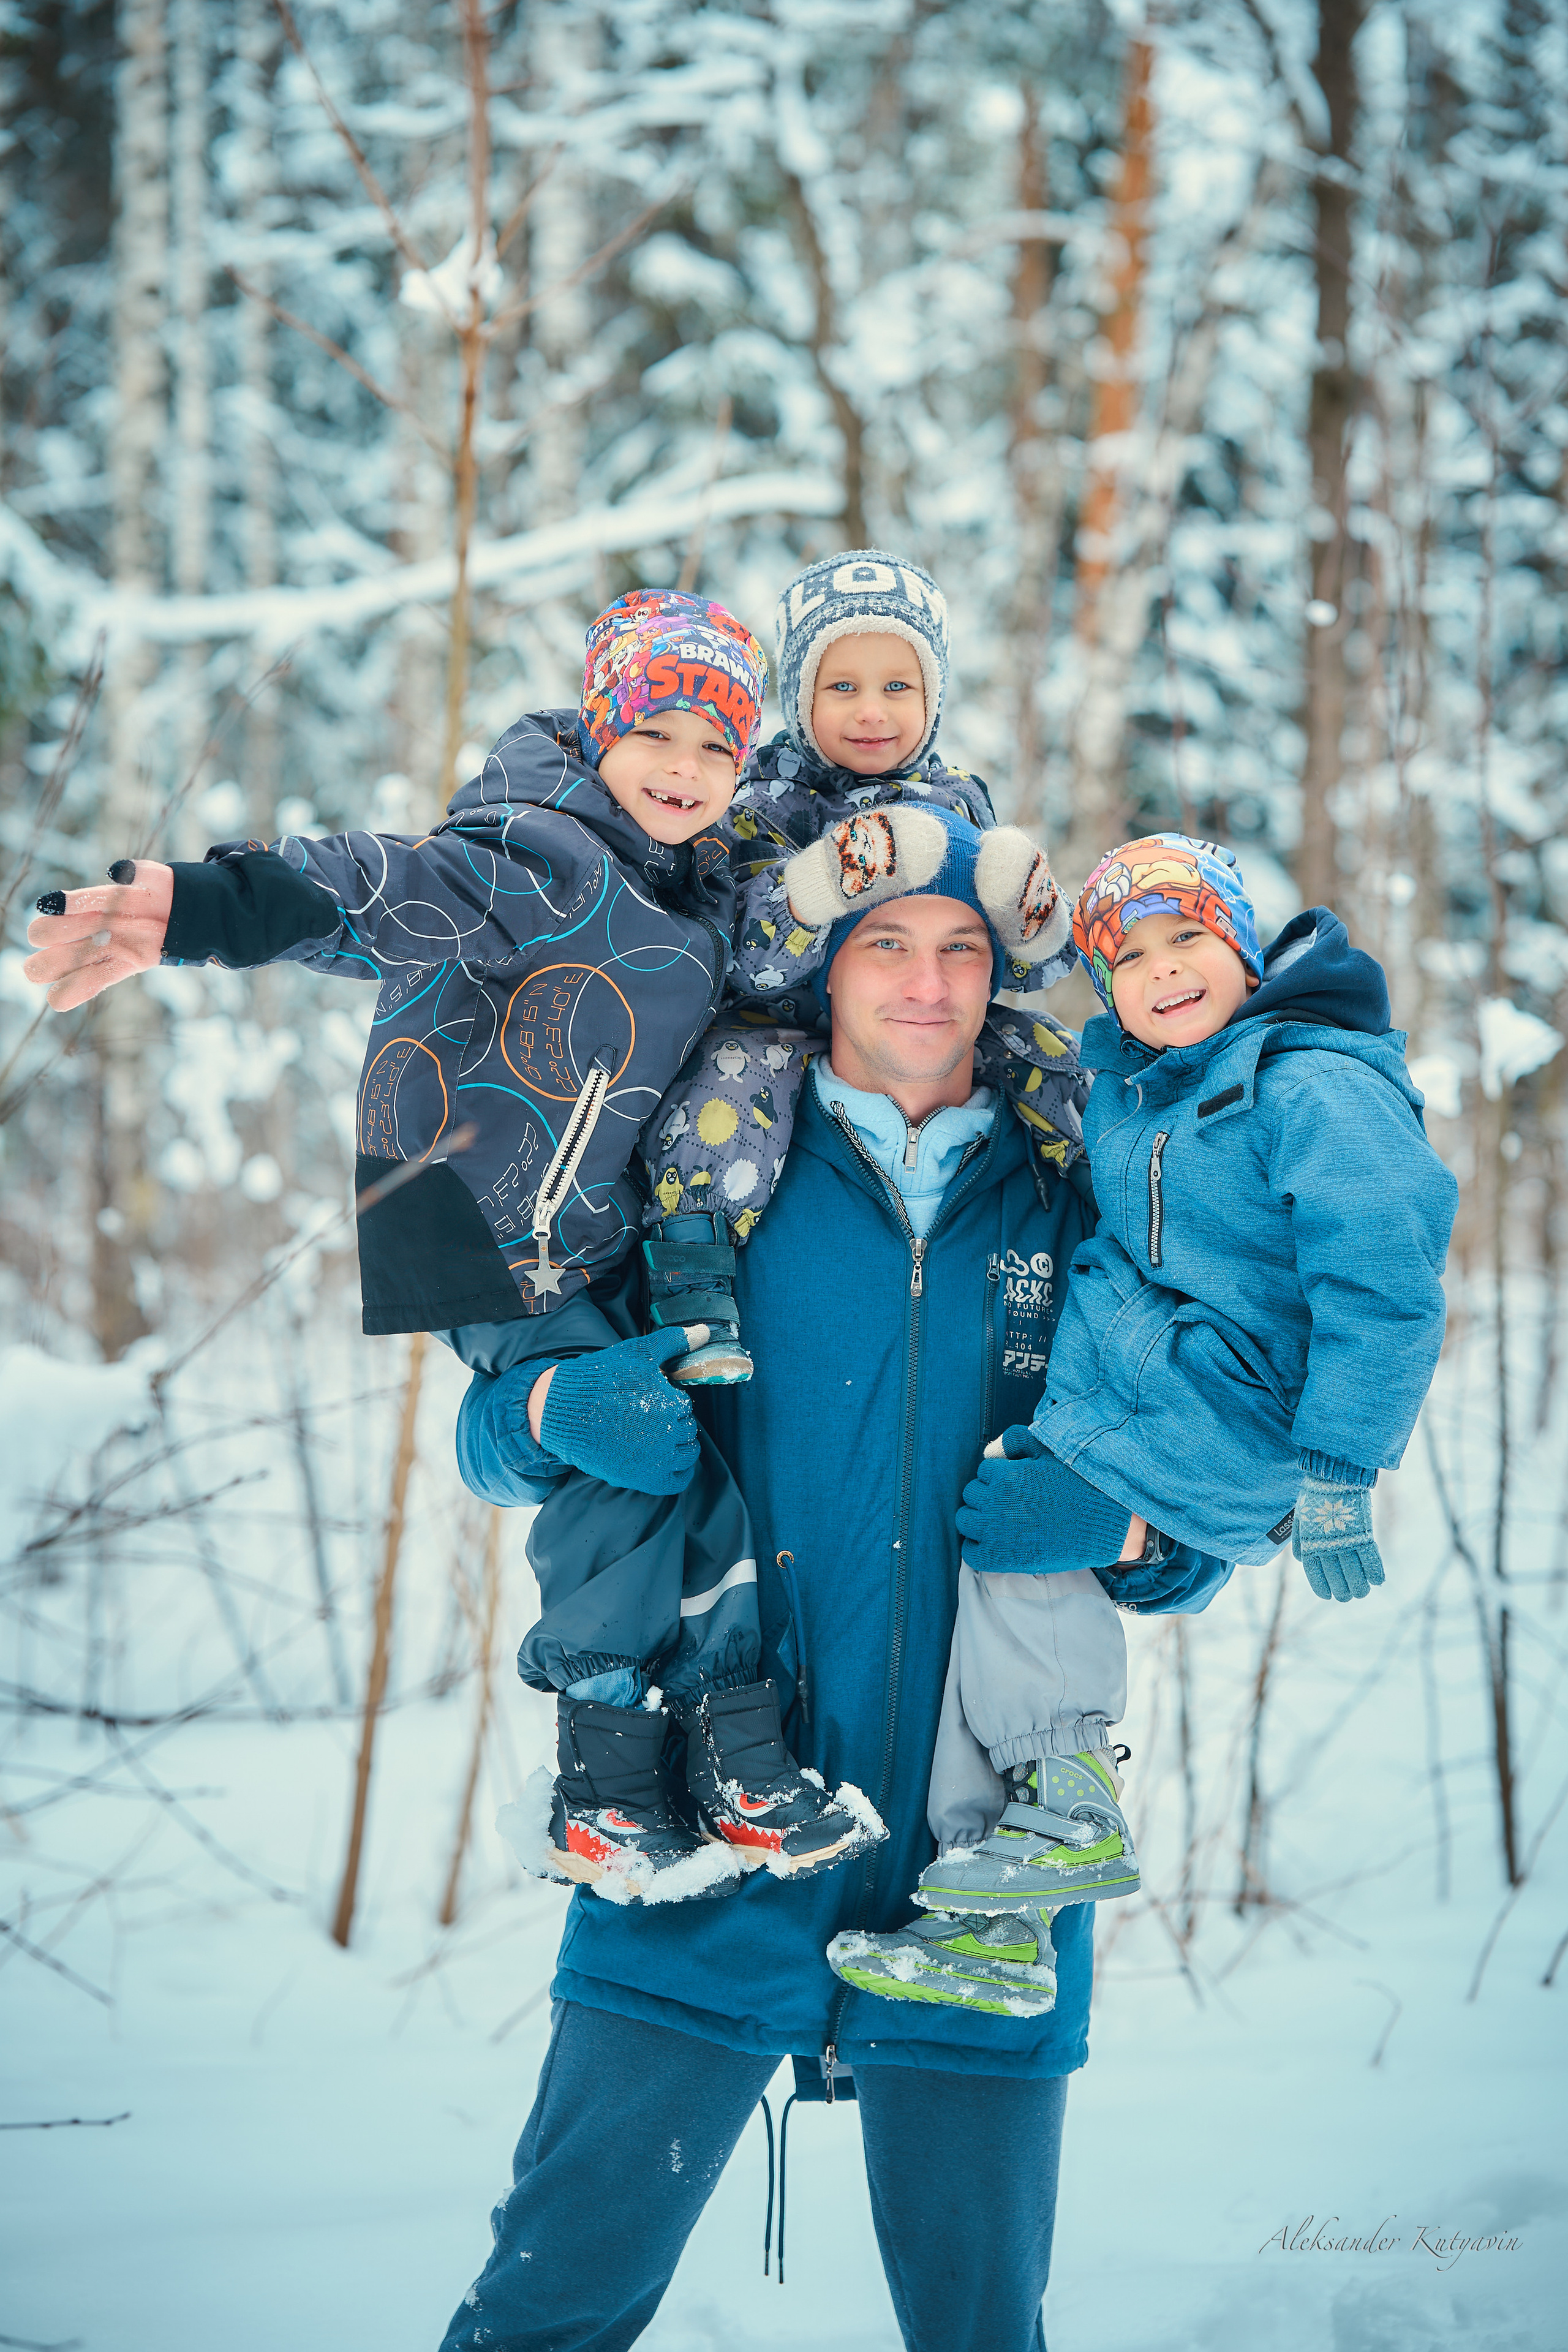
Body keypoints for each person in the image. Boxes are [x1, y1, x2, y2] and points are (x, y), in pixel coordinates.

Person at [442, 827, 1231, 2352]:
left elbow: (1208, 1516)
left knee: (982, 2327)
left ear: (1003, 971)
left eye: (959, 947)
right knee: (550, 2303)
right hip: (706, 1825)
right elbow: (491, 1433)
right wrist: (553, 1411)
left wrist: (1130, 1532)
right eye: (885, 942)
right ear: (821, 964)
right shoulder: (697, 1169)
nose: (925, 981)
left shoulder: (1079, 1198)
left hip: (982, 1870)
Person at [834, 834, 1458, 1998]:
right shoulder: (1137, 1087)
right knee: (1009, 1538)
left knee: (1023, 1528)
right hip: (1157, 1395)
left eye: (1189, 940)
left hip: (1240, 1413)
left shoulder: (1310, 1083)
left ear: (1245, 946)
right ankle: (995, 1903)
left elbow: (1385, 1279)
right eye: (1129, 959)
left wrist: (1340, 1464)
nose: (1163, 973)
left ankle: (1063, 1800)